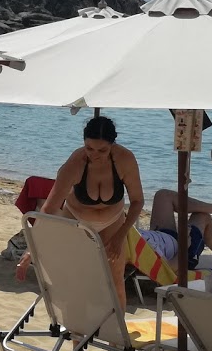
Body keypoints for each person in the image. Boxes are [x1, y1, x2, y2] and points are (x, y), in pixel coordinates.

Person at [19, 116, 144, 309]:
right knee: (77, 279)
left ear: (113, 144)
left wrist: (120, 236)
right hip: (77, 220)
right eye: (89, 148)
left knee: (115, 280)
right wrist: (31, 249)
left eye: (102, 150)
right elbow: (49, 209)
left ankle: (117, 336)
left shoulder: (124, 160)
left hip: (113, 222)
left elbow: (137, 202)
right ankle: (78, 336)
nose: (94, 154)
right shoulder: (76, 163)